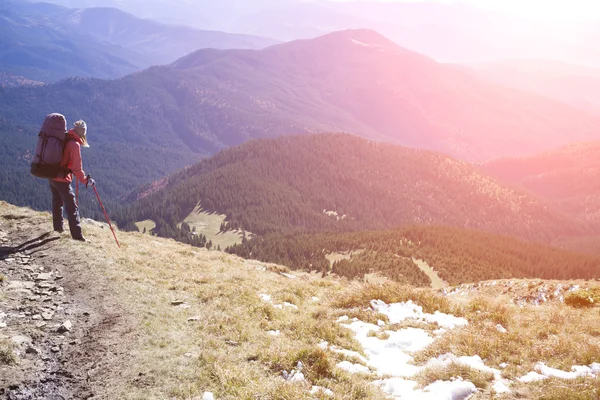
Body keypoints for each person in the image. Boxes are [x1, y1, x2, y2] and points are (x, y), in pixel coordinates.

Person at [50, 120, 95, 242]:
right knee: (72, 207)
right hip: (62, 179)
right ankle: (77, 237)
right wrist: (86, 181)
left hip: (52, 175)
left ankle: (58, 228)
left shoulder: (64, 137)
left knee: (57, 202)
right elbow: (77, 168)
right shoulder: (74, 144)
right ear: (82, 133)